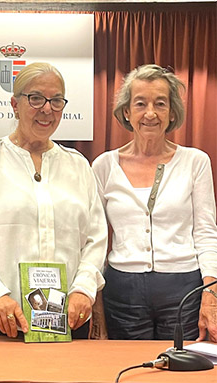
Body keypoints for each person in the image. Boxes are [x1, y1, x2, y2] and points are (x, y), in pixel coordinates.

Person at [0, 62, 108, 339]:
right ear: (15, 104)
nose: (47, 109)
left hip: (64, 319)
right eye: (36, 98)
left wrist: (84, 288)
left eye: (56, 100)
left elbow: (96, 239)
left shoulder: (79, 166)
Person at [92, 64, 217, 342]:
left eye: (160, 104)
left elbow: (206, 233)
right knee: (126, 369)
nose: (150, 113)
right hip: (122, 291)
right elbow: (95, 240)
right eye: (140, 104)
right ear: (127, 112)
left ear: (172, 112)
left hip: (183, 288)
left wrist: (211, 293)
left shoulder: (195, 162)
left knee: (182, 371)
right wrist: (96, 303)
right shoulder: (103, 166)